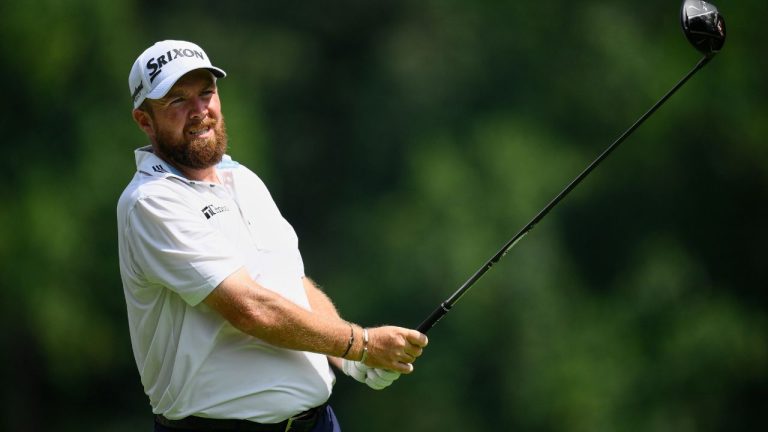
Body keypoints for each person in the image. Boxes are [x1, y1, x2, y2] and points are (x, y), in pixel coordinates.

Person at [117, 40, 429, 432]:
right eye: (177, 100)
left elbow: (292, 285)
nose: (200, 111)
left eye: (206, 93)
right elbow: (251, 308)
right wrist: (360, 343)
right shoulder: (150, 202)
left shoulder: (243, 180)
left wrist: (350, 360)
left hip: (317, 423)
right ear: (145, 121)